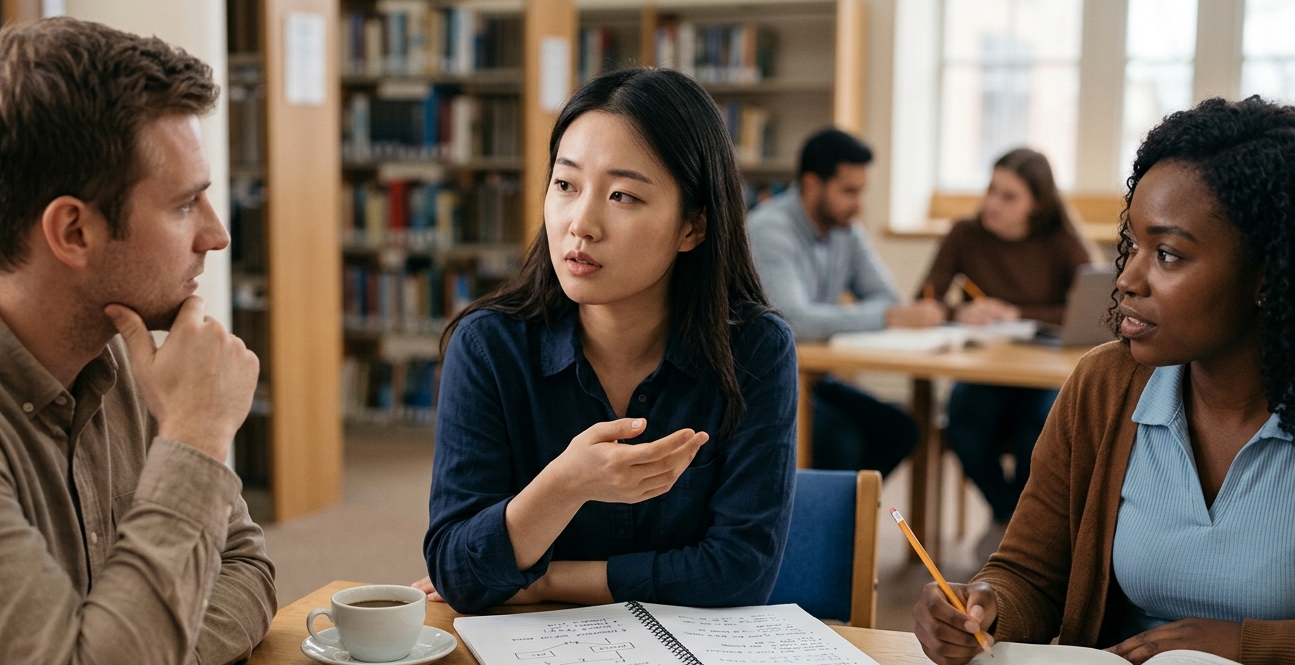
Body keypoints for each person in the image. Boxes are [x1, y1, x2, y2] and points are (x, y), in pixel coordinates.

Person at [0, 19, 277, 665]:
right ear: (72, 231)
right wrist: (196, 436)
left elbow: (246, 573)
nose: (217, 235)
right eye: (185, 204)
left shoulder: (126, 350)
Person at [912, 96, 1295, 665]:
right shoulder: (1103, 386)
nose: (1128, 278)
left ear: (1267, 274)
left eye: (1167, 254)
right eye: (1132, 245)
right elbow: (1031, 575)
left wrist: (1247, 647)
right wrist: (987, 605)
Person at [417, 68, 797, 614]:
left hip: (690, 661)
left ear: (692, 226)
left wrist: (545, 580)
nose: (581, 224)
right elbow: (456, 571)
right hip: (533, 657)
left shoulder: (756, 349)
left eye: (622, 195)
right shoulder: (488, 347)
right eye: (565, 185)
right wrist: (566, 484)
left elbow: (740, 575)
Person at [747, 128, 944, 476]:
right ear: (812, 184)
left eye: (861, 191)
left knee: (900, 430)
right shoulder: (768, 230)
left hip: (813, 375)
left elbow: (887, 297)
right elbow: (797, 322)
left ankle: (849, 509)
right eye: (849, 191)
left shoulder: (845, 228)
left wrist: (878, 313)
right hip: (762, 382)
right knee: (843, 442)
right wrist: (884, 316)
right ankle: (828, 507)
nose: (859, 204)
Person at [918, 149, 1092, 535]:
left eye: (1008, 196)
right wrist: (958, 312)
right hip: (986, 371)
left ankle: (1017, 526)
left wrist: (1016, 313)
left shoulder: (1061, 240)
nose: (992, 204)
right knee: (961, 417)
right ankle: (1009, 520)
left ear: (1037, 205)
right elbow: (925, 300)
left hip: (1043, 375)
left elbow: (1093, 309)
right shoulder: (964, 233)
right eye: (991, 190)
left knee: (1046, 428)